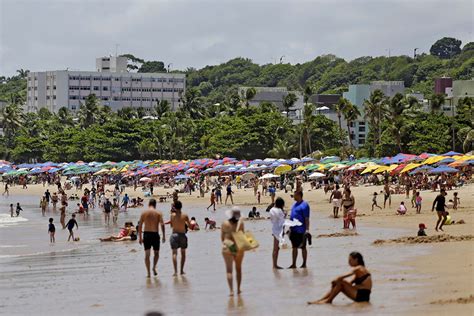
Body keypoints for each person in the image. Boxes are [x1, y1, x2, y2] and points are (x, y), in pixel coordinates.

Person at [308, 252, 372, 304]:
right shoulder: (362, 269)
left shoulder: (358, 268)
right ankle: (322, 300)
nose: (348, 262)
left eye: (350, 260)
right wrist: (336, 285)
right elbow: (349, 284)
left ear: (356, 259)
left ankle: (328, 300)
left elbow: (341, 277)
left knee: (340, 281)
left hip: (362, 296)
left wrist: (335, 281)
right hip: (364, 297)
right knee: (340, 283)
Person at [138, 199, 166, 278]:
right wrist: (164, 236)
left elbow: (140, 226)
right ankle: (154, 267)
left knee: (147, 254)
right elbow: (162, 224)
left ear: (149, 204)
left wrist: (140, 237)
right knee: (156, 253)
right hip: (155, 234)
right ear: (155, 204)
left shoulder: (144, 213)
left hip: (146, 234)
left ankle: (148, 273)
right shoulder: (158, 213)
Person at [221, 207, 245, 296]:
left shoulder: (225, 223)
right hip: (237, 246)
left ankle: (231, 291)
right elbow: (242, 236)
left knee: (229, 270)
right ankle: (238, 289)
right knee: (238, 269)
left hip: (228, 245)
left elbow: (222, 238)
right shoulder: (240, 224)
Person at [288, 190, 310, 269]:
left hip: (301, 230)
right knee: (294, 247)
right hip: (293, 230)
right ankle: (293, 264)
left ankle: (304, 264)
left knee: (303, 247)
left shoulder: (305, 205)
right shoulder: (294, 205)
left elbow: (306, 219)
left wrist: (307, 230)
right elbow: (292, 217)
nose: (293, 196)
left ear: (299, 195)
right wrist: (290, 228)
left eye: (294, 195)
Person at [169, 200, 191, 276]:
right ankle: (181, 271)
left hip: (174, 234)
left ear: (174, 207)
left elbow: (171, 226)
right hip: (182, 235)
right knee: (183, 253)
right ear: (181, 206)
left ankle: (175, 271)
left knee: (174, 253)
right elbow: (190, 226)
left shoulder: (172, 215)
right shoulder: (185, 215)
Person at [269, 197, 286, 269]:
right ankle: (274, 265)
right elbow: (282, 221)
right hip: (278, 230)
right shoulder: (279, 211)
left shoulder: (272, 209)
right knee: (276, 249)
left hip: (274, 229)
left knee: (276, 248)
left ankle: (274, 264)